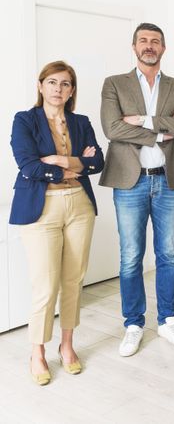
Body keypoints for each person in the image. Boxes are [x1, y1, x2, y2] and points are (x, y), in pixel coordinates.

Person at [100, 22, 174, 357]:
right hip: (130, 181)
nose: (149, 46)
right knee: (130, 257)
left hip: (167, 179)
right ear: (134, 46)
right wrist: (160, 130)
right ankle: (133, 324)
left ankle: (168, 319)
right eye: (143, 40)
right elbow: (112, 128)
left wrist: (140, 120)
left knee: (168, 254)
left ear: (163, 48)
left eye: (155, 41)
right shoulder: (114, 83)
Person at [10, 60, 104, 385]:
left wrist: (63, 160)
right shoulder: (24, 120)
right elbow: (27, 164)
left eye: (65, 84)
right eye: (52, 82)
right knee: (45, 285)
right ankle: (37, 352)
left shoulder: (81, 122)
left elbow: (98, 162)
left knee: (72, 280)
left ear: (72, 90)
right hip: (41, 208)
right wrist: (72, 166)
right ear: (41, 86)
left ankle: (67, 346)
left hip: (79, 205)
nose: (58, 89)